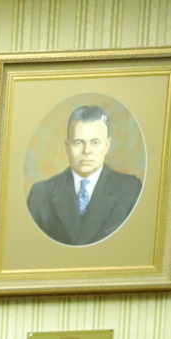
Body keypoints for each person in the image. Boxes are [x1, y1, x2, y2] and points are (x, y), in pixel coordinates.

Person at [26, 104, 143, 247]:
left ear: (107, 145)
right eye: (79, 142)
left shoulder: (130, 190)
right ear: (67, 146)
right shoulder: (40, 195)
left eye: (95, 142)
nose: (87, 151)